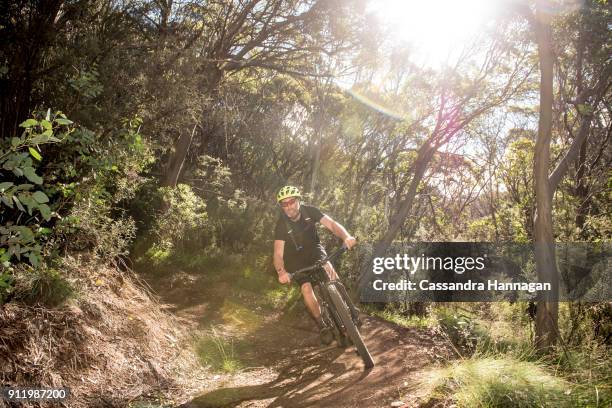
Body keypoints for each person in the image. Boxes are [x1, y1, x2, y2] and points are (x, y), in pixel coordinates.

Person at [273, 185, 358, 345]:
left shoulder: (310, 211)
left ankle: (345, 306)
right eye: (284, 204)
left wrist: (346, 237)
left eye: (291, 201)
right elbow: (278, 253)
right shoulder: (281, 225)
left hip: (314, 250)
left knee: (329, 269)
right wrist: (281, 271)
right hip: (295, 259)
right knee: (306, 288)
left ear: (298, 201)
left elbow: (332, 224)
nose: (289, 206)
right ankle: (322, 324)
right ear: (282, 207)